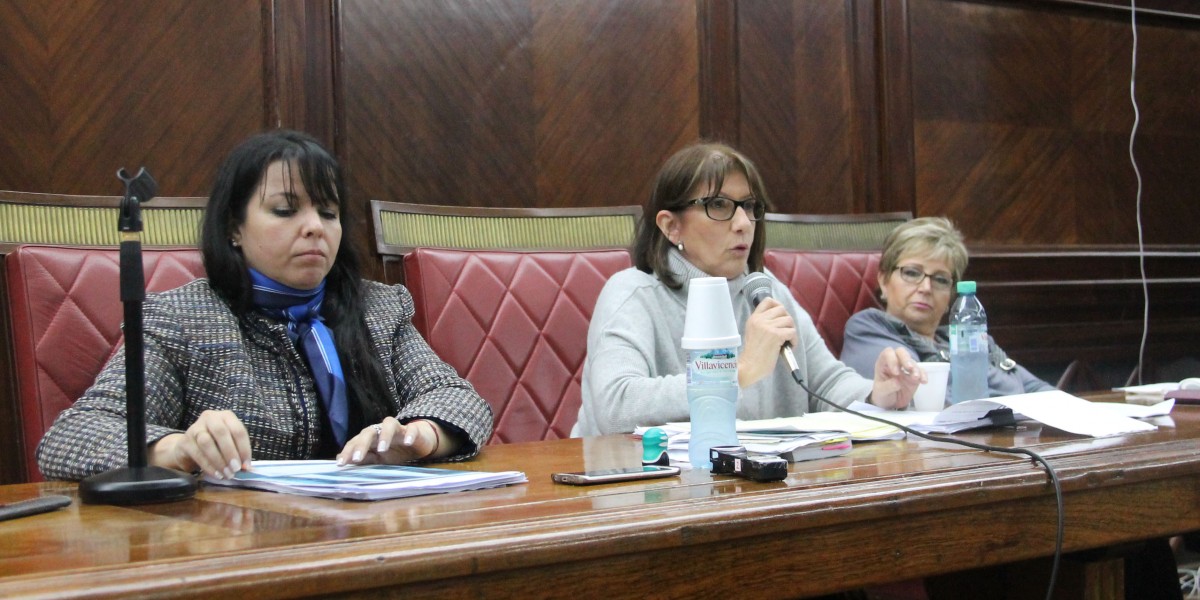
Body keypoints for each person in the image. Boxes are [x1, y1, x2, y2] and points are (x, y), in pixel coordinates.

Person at [37, 130, 493, 481]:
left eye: (329, 213)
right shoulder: (183, 318)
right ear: (234, 227)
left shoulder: (376, 308)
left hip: (369, 537)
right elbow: (73, 437)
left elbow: (460, 400)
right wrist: (177, 448)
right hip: (232, 550)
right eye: (285, 210)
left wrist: (417, 438)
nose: (315, 227)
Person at [572, 142, 924, 436]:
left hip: (756, 491)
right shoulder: (632, 293)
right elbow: (614, 407)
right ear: (671, 226)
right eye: (719, 205)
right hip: (645, 498)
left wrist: (879, 393)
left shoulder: (765, 292)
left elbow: (825, 385)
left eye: (750, 207)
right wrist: (738, 371)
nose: (743, 224)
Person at [840, 217, 1054, 401]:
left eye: (940, 280)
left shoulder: (966, 339)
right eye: (912, 273)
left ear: (951, 296)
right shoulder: (867, 329)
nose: (925, 288)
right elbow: (929, 399)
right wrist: (1011, 395)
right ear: (884, 280)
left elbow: (1040, 391)